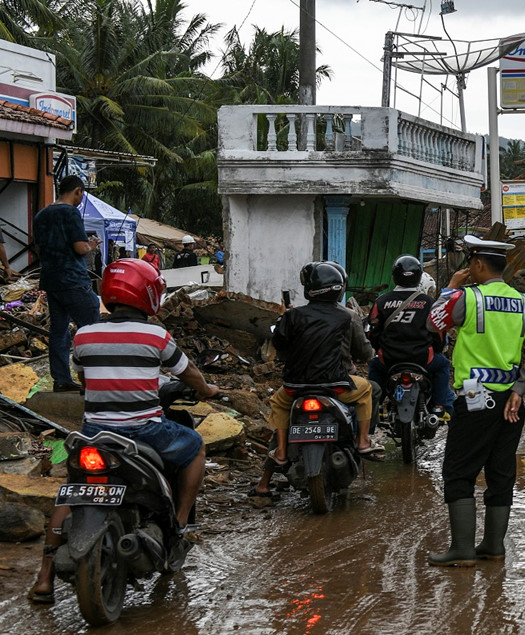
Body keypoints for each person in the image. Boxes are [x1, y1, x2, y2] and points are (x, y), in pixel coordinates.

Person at [29, 259, 219, 603]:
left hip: (93, 435)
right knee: (196, 448)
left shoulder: (84, 334)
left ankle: (43, 578)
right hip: (143, 433)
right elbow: (187, 371)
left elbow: (85, 382)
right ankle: (178, 525)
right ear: (148, 294)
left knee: (72, 492)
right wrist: (206, 390)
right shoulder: (156, 336)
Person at [425, 235, 525, 567]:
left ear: (478, 264)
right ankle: (494, 547)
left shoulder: (468, 298)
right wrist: (519, 391)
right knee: (501, 472)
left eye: (470, 264)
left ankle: (462, 549)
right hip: (510, 401)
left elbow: (432, 322)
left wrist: (450, 286)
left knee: (459, 472)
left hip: (475, 399)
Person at [251, 262, 382, 497]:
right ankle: (363, 441)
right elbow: (364, 353)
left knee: (279, 405)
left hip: (296, 388)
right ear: (339, 289)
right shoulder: (348, 317)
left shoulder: (293, 316)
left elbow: (279, 346)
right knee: (366, 391)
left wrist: (284, 318)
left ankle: (280, 455)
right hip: (336, 386)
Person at [31, 175, 101, 392]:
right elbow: (80, 248)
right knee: (91, 329)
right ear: (77, 191)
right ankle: (94, 381)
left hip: (51, 279)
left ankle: (61, 379)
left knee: (58, 331)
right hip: (73, 278)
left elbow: (38, 248)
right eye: (81, 195)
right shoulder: (71, 212)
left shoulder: (41, 214)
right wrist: (91, 245)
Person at [366, 255, 454, 419]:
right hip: (422, 359)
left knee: (375, 367)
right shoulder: (429, 303)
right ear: (419, 276)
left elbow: (373, 334)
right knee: (443, 365)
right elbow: (438, 335)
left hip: (389, 360)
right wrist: (437, 349)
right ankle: (440, 407)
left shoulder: (381, 302)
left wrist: (380, 348)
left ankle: (374, 408)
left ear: (394, 276)